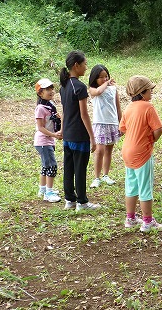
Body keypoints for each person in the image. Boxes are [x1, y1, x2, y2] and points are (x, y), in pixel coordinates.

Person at [120, 75, 162, 232]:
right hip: (142, 152)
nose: (151, 92)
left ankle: (130, 218)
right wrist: (152, 139)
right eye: (149, 90)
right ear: (142, 92)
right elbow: (158, 129)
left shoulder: (128, 108)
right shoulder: (148, 107)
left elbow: (123, 128)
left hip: (127, 151)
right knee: (145, 187)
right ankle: (147, 221)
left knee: (131, 185)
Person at [59, 51, 100, 212]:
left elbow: (64, 112)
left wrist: (62, 130)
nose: (86, 67)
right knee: (80, 169)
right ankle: (82, 202)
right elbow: (84, 115)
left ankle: (69, 200)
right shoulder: (80, 87)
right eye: (84, 64)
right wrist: (92, 138)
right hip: (79, 135)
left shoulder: (64, 86)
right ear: (76, 65)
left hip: (68, 135)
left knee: (69, 168)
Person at [88, 64, 122, 188]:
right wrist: (106, 83)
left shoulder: (113, 89)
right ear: (94, 78)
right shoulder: (92, 89)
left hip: (112, 123)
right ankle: (96, 177)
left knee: (109, 150)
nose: (104, 79)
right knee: (100, 150)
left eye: (106, 76)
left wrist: (121, 122)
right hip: (100, 123)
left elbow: (118, 107)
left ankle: (106, 175)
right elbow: (98, 91)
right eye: (101, 77)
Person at [33, 78, 63, 203]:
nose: (51, 91)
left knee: (45, 166)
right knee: (52, 166)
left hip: (48, 141)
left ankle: (43, 189)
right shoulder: (40, 108)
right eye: (47, 89)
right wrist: (54, 135)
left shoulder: (50, 105)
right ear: (40, 93)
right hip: (43, 142)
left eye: (52, 88)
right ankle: (48, 193)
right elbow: (40, 127)